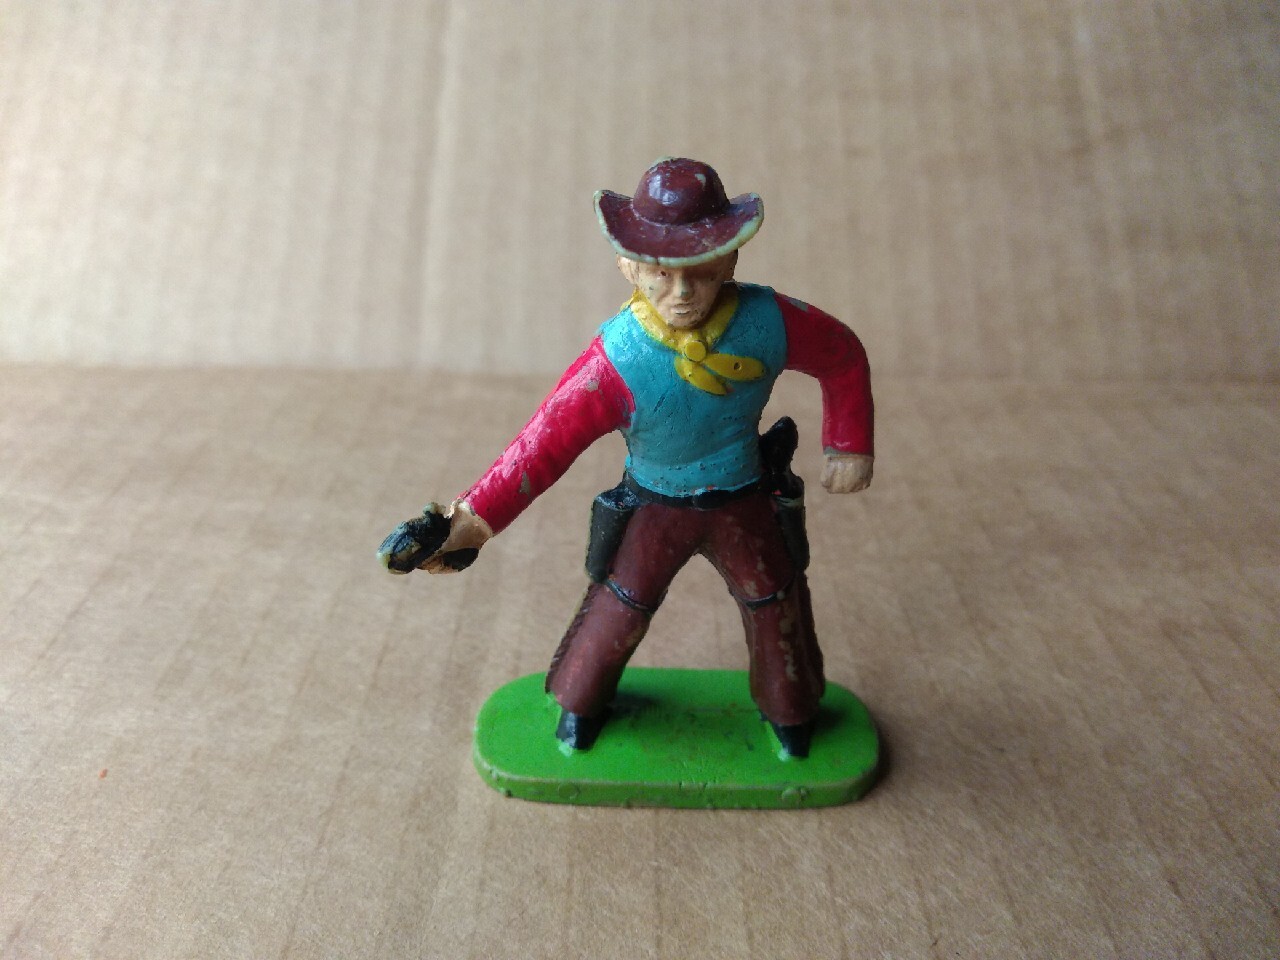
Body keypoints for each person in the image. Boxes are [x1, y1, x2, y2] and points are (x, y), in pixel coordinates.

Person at [380, 158, 873, 758]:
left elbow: (841, 353)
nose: (682, 293)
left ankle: (791, 713)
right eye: (661, 273)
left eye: (700, 270)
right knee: (621, 604)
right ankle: (579, 704)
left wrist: (848, 441)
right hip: (654, 507)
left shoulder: (767, 322)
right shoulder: (615, 360)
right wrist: (465, 525)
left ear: (730, 260)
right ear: (629, 267)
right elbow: (539, 448)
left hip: (745, 499)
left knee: (775, 602)